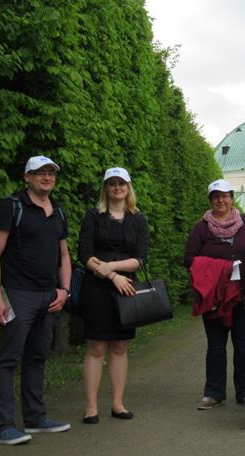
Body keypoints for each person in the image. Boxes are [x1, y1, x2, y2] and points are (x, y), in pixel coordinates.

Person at [0, 156, 72, 445]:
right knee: (8, 359)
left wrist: (65, 291)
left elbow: (64, 256)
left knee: (37, 356)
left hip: (49, 295)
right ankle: (3, 427)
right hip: (17, 294)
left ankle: (35, 418)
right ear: (27, 177)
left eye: (51, 173)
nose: (47, 177)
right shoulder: (11, 207)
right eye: (40, 173)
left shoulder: (58, 212)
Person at [78, 167, 149, 424]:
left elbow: (140, 258)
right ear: (105, 188)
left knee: (120, 347)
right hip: (97, 288)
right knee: (96, 347)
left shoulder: (138, 219)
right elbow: (84, 255)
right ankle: (91, 406)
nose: (117, 187)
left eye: (121, 183)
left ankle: (118, 403)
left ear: (128, 187)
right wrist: (111, 275)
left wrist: (114, 267)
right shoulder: (93, 216)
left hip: (127, 289)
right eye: (112, 183)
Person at [184, 179, 245, 410]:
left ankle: (244, 390)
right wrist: (220, 267)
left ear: (232, 198)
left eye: (225, 195)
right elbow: (188, 258)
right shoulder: (201, 228)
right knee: (216, 346)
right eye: (216, 196)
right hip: (214, 297)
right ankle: (214, 392)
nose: (221, 199)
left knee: (244, 345)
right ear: (210, 200)